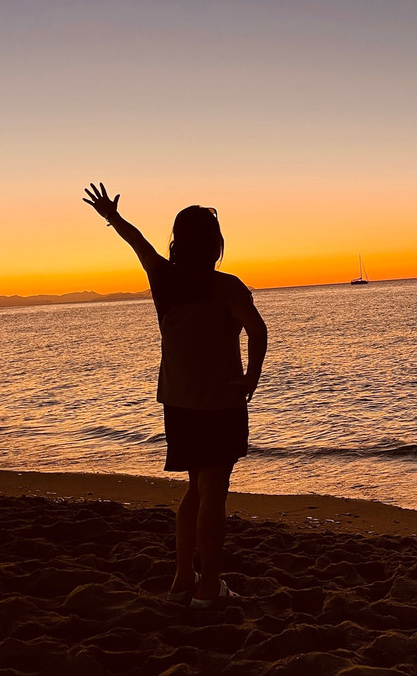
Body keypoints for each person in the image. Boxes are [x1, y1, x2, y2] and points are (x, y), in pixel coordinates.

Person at [83, 182, 267, 608]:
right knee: (214, 492)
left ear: (177, 242)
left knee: (195, 490)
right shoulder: (228, 286)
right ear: (216, 245)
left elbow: (137, 242)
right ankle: (209, 587)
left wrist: (112, 216)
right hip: (220, 403)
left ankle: (183, 578)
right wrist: (252, 378)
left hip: (179, 402)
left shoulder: (163, 278)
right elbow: (257, 331)